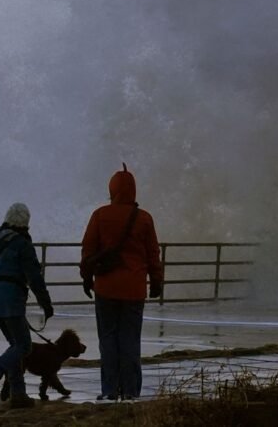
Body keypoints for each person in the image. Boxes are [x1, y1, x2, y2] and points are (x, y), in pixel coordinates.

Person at [79, 164, 163, 402]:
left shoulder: (100, 215)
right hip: (134, 289)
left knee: (108, 339)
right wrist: (156, 281)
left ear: (112, 190)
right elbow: (152, 253)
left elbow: (88, 249)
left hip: (105, 288)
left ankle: (109, 390)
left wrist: (87, 279)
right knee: (130, 340)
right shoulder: (144, 219)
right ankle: (130, 391)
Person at [0, 202, 54, 409]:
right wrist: (45, 303)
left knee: (15, 345)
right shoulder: (22, 244)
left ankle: (18, 393)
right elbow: (34, 276)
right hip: (11, 297)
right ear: (26, 223)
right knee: (23, 345)